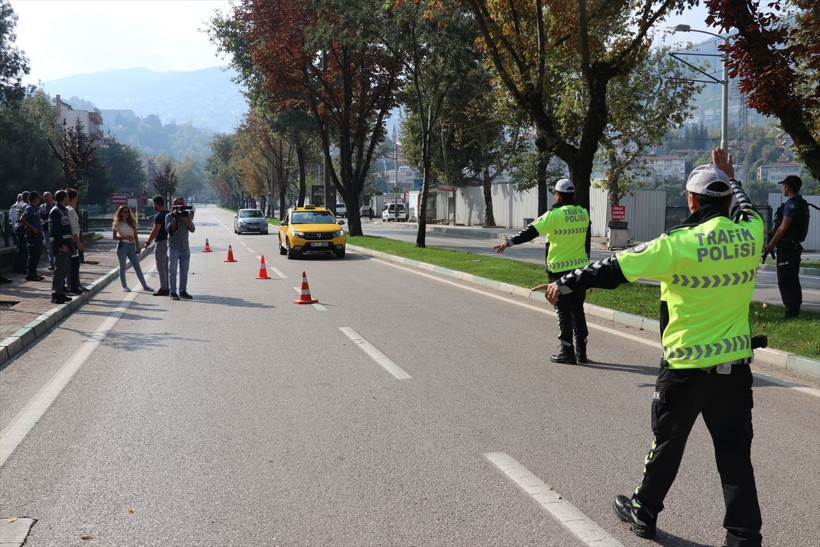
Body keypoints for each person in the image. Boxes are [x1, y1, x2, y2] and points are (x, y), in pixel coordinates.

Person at [538, 149, 763, 546]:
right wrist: (733, 177)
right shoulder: (751, 232)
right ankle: (743, 537)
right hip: (735, 369)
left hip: (686, 369)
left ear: (691, 201)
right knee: (734, 456)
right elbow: (747, 207)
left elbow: (614, 268)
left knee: (667, 445)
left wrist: (566, 282)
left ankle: (643, 511)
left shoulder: (677, 244)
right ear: (726, 199)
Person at [493, 178, 590, 363]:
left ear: (559, 195)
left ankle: (567, 353)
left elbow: (530, 231)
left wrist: (509, 242)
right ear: (573, 194)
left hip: (559, 271)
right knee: (577, 309)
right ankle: (582, 353)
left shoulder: (554, 215)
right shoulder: (583, 213)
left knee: (562, 310)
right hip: (580, 270)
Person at [764, 175, 809, 318]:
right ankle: (793, 310)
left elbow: (783, 228)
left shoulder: (792, 205)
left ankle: (791, 312)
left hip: (788, 248)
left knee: (786, 279)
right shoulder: (799, 203)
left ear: (788, 187)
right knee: (791, 278)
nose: (783, 188)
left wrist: (771, 245)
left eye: (784, 185)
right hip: (792, 247)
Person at [112, 205, 152, 293]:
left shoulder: (132, 223)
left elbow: (136, 236)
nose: (127, 214)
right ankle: (125, 286)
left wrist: (138, 247)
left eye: (128, 212)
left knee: (137, 267)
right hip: (122, 246)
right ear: (121, 213)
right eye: (125, 212)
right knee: (123, 267)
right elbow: (114, 237)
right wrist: (125, 237)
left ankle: (145, 286)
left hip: (131, 246)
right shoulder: (117, 224)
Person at [165, 196, 195, 300]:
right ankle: (172, 292)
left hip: (185, 248)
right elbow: (168, 230)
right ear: (173, 205)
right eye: (177, 204)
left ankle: (183, 291)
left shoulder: (186, 214)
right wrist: (175, 218)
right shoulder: (169, 216)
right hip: (174, 248)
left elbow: (192, 229)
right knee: (172, 271)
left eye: (182, 204)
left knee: (184, 271)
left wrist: (186, 221)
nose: (180, 207)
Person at [49, 190, 74, 304]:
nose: (69, 199)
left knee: (64, 270)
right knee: (59, 271)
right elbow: (55, 231)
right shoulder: (56, 211)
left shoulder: (63, 210)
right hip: (61, 246)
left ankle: (60, 292)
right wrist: (62, 245)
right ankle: (55, 294)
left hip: (67, 245)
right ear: (64, 198)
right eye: (68, 197)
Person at [143, 195, 170, 296]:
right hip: (169, 242)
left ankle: (164, 288)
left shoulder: (159, 216)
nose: (153, 206)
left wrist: (148, 242)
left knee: (160, 266)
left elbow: (155, 230)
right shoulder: (169, 214)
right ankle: (167, 286)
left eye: (154, 204)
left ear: (156, 204)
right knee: (166, 265)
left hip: (161, 242)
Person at [65, 188, 88, 294]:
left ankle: (76, 284)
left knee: (75, 264)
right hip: (73, 241)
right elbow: (72, 229)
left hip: (73, 240)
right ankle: (72, 285)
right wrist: (78, 241)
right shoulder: (70, 211)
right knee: (73, 265)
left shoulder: (69, 210)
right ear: (74, 198)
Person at [18, 191, 45, 282]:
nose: (39, 199)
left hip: (38, 234)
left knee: (37, 254)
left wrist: (40, 221)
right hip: (32, 234)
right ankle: (30, 274)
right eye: (38, 198)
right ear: (35, 199)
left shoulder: (35, 208)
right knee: (33, 254)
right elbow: (22, 219)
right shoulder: (29, 208)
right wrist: (32, 227)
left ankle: (34, 273)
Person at [12, 191, 29, 273]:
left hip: (17, 227)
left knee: (20, 248)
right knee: (25, 249)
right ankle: (23, 268)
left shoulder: (18, 204)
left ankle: (16, 267)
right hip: (23, 228)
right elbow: (25, 218)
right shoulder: (26, 206)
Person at [39, 191, 56, 271]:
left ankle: (57, 263)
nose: (45, 198)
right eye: (44, 196)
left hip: (56, 229)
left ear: (51, 197)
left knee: (56, 246)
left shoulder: (56, 205)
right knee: (49, 247)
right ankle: (52, 264)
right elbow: (39, 217)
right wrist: (41, 220)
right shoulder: (41, 207)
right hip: (46, 230)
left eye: (47, 196)